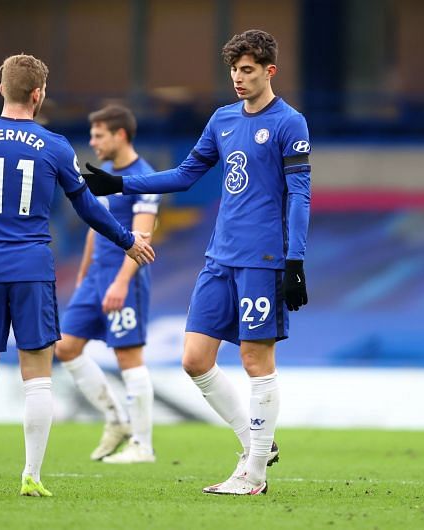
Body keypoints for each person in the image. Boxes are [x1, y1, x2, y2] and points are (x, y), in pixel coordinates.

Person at [82, 29, 310, 495]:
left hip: (263, 259)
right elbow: (186, 175)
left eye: (248, 70)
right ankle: (256, 444)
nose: (239, 79)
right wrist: (122, 185)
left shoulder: (290, 123)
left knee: (254, 358)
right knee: (194, 358)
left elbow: (300, 195)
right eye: (234, 70)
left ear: (270, 71)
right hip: (219, 256)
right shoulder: (223, 119)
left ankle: (254, 475)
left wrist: (295, 261)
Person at [0, 54, 155, 499]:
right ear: (38, 94)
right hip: (33, 269)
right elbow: (89, 208)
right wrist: (127, 239)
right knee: (37, 375)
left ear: (2, 90)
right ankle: (31, 475)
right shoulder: (55, 146)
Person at [55, 105, 160, 464]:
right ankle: (116, 419)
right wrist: (84, 273)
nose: (92, 142)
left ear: (120, 135)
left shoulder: (143, 178)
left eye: (99, 135)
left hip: (123, 278)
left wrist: (119, 282)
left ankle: (143, 445)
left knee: (128, 356)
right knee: (66, 347)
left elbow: (143, 236)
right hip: (96, 276)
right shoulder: (106, 175)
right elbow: (94, 226)